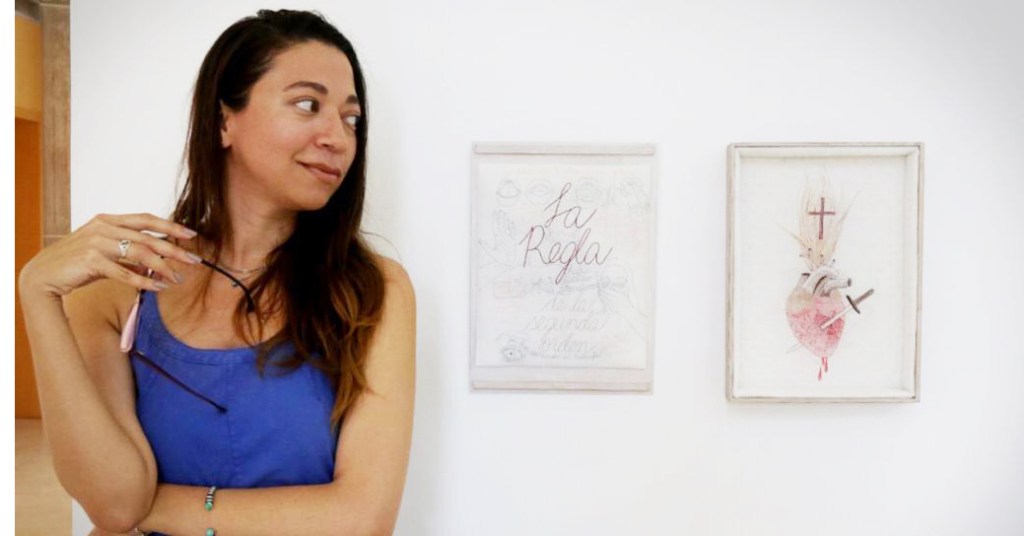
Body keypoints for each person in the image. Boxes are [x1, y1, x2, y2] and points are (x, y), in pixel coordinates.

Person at [18, 9, 415, 535]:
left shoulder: (372, 291)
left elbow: (361, 521)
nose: (338, 138)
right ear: (224, 121)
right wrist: (37, 292)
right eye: (307, 104)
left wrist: (156, 507)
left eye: (351, 119)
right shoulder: (122, 288)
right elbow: (113, 502)